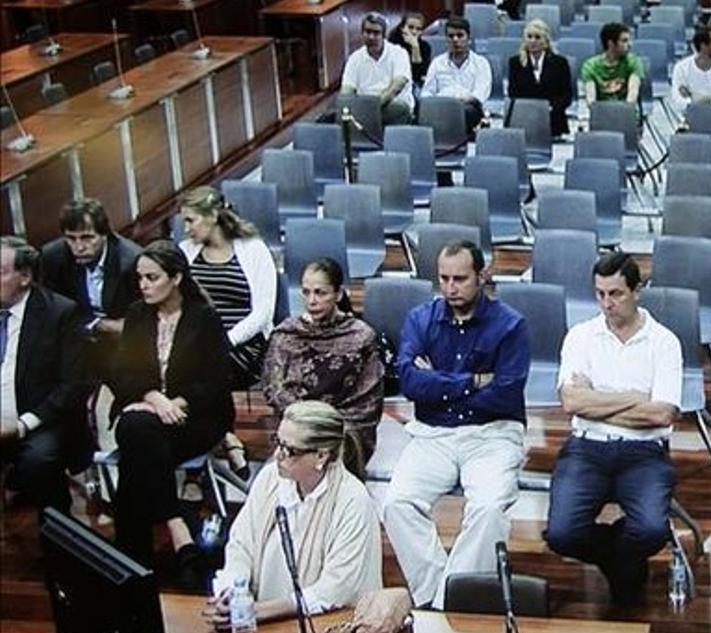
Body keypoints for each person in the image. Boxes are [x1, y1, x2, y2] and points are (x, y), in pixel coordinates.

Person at [380, 240, 530, 609]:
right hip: (433, 434)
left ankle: (454, 598)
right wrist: (472, 381)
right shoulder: (420, 319)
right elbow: (410, 383)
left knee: (490, 508)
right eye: (444, 278)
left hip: (492, 432)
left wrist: (440, 384)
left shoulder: (511, 325)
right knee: (396, 503)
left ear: (482, 276)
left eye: (460, 279)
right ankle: (436, 593)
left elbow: (506, 393)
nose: (450, 287)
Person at [544, 252, 682, 606]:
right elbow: (572, 404)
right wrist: (634, 399)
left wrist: (597, 403)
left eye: (616, 294)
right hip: (587, 448)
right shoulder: (580, 336)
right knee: (561, 534)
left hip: (644, 452)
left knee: (652, 531)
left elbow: (662, 414)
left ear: (638, 291)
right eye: (600, 294)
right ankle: (622, 562)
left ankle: (620, 558)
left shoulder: (664, 342)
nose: (607, 303)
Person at [110, 241, 234, 586]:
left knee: (135, 453)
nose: (144, 285)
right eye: (140, 278)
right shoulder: (137, 314)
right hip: (148, 415)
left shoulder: (203, 317)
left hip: (196, 416)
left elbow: (216, 380)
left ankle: (131, 558)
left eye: (152, 277)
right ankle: (179, 527)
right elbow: (123, 373)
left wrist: (175, 403)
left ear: (176, 277)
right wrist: (154, 399)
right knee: (139, 430)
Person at [205, 401, 385, 630]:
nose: (278, 455)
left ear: (321, 456)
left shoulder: (353, 500)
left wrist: (258, 611)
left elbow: (336, 590)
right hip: (264, 621)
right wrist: (232, 591)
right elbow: (241, 544)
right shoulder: (270, 477)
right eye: (278, 442)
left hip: (326, 628)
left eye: (290, 450)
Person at [178, 186, 276, 479]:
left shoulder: (252, 249)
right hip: (200, 343)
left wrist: (225, 340)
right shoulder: (186, 252)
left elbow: (263, 313)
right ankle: (224, 437)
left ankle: (212, 449)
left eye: (191, 220)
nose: (186, 229)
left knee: (199, 373)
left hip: (244, 343)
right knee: (185, 369)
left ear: (213, 216)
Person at [262, 259, 384, 461]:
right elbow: (274, 388)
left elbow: (368, 401)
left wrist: (326, 428)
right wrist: (307, 423)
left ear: (338, 294)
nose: (311, 301)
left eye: (320, 293)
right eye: (306, 292)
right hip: (297, 427)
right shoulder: (286, 335)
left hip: (342, 432)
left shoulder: (361, 337)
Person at [0, 236, 86, 513]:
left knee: (39, 461)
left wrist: (22, 424)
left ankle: (58, 538)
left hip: (40, 421)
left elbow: (73, 385)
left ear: (25, 277)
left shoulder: (60, 313)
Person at [39, 198, 141, 382]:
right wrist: (99, 324)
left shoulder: (131, 260)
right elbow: (51, 310)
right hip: (78, 338)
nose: (78, 247)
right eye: (71, 238)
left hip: (123, 346)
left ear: (104, 235)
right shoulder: (53, 256)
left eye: (87, 238)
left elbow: (140, 321)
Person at [341, 12, 414, 126]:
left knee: (398, 107)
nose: (371, 37)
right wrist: (346, 106)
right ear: (362, 33)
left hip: (392, 105)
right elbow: (347, 91)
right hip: (364, 108)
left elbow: (397, 86)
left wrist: (373, 105)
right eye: (367, 32)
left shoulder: (399, 53)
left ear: (384, 35)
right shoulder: (354, 58)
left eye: (376, 33)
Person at [421, 16, 492, 133]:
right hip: (440, 107)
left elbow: (479, 95)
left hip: (468, 108)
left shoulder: (481, 63)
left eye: (460, 35)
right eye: (451, 36)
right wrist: (440, 103)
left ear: (468, 39)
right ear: (446, 39)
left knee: (467, 112)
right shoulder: (437, 62)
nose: (455, 40)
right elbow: (426, 92)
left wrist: (454, 103)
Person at [507, 19, 573, 138]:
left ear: (546, 41)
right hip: (525, 118)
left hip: (553, 118)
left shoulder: (560, 63)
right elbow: (513, 93)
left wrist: (550, 108)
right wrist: (532, 109)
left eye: (537, 37)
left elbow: (566, 95)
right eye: (529, 37)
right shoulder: (515, 63)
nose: (533, 41)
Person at [669, 26, 711, 114]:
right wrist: (710, 98)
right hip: (689, 119)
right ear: (703, 46)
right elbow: (678, 103)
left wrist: (694, 98)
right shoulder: (681, 68)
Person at [581, 23, 643, 105]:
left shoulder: (634, 61)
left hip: (626, 113)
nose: (629, 45)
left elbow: (632, 95)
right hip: (602, 112)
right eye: (624, 41)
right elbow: (591, 101)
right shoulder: (590, 66)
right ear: (611, 44)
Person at [388, 12, 432, 88]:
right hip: (392, 82)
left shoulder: (425, 46)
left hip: (414, 85)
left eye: (418, 29)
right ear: (402, 28)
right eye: (410, 27)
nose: (414, 32)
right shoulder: (392, 44)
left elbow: (419, 76)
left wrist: (415, 48)